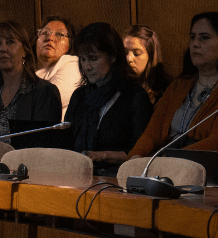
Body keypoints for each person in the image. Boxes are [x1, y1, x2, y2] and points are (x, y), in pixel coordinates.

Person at [129, 11, 218, 161]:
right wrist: (136, 157)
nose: (195, 44)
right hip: (166, 167)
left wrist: (167, 160)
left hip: (213, 175)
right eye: (192, 37)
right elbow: (152, 133)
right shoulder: (178, 85)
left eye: (204, 38)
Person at [64, 23, 153, 175]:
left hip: (118, 178)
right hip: (78, 175)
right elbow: (66, 142)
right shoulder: (80, 96)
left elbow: (141, 153)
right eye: (83, 59)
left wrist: (104, 155)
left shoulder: (135, 97)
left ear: (112, 56)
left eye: (93, 59)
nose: (87, 67)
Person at [0, 20, 61, 143]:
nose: (3, 49)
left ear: (25, 51)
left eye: (10, 42)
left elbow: (43, 148)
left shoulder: (45, 93)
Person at [35, 15, 81, 120]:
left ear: (71, 43)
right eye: (45, 33)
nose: (50, 38)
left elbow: (45, 101)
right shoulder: (39, 73)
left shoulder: (73, 65)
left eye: (60, 34)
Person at [123, 25, 170, 104]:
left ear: (150, 55)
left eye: (137, 53)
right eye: (125, 52)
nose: (129, 59)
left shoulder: (167, 91)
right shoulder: (119, 87)